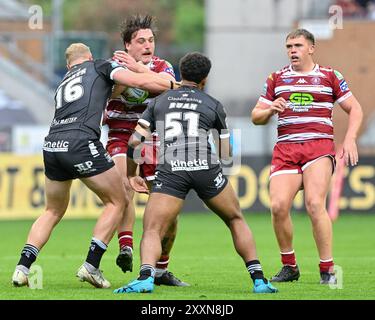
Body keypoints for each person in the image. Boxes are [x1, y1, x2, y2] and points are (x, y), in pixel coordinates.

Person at [11, 43, 175, 289]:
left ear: (69, 64)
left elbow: (106, 92)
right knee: (118, 200)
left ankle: (22, 268)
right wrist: (174, 85)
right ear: (89, 57)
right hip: (80, 141)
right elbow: (139, 83)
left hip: (53, 145)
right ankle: (91, 265)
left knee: (52, 211)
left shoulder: (64, 81)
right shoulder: (100, 65)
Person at [113, 52, 278, 294]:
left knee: (152, 229)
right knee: (235, 219)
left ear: (181, 74)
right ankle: (259, 280)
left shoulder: (160, 102)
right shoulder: (213, 104)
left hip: (171, 170)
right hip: (206, 168)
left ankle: (146, 277)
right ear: (205, 80)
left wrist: (132, 174)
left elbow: (134, 142)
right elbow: (225, 153)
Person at [251, 29, 363, 284]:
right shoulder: (276, 78)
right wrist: (269, 109)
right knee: (278, 206)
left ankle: (327, 269)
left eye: (298, 45)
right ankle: (289, 266)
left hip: (318, 148)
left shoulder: (329, 76)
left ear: (311, 48)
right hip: (286, 149)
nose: (293, 50)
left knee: (314, 204)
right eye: (289, 46)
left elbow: (354, 108)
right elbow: (255, 116)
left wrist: (350, 138)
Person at [105, 14, 187, 286]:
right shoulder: (114, 65)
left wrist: (139, 71)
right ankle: (126, 246)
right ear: (128, 44)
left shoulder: (163, 66)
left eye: (151, 40)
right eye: (141, 41)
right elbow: (114, 92)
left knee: (168, 210)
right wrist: (131, 75)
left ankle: (161, 270)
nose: (147, 45)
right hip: (120, 134)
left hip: (154, 141)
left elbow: (165, 87)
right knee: (123, 187)